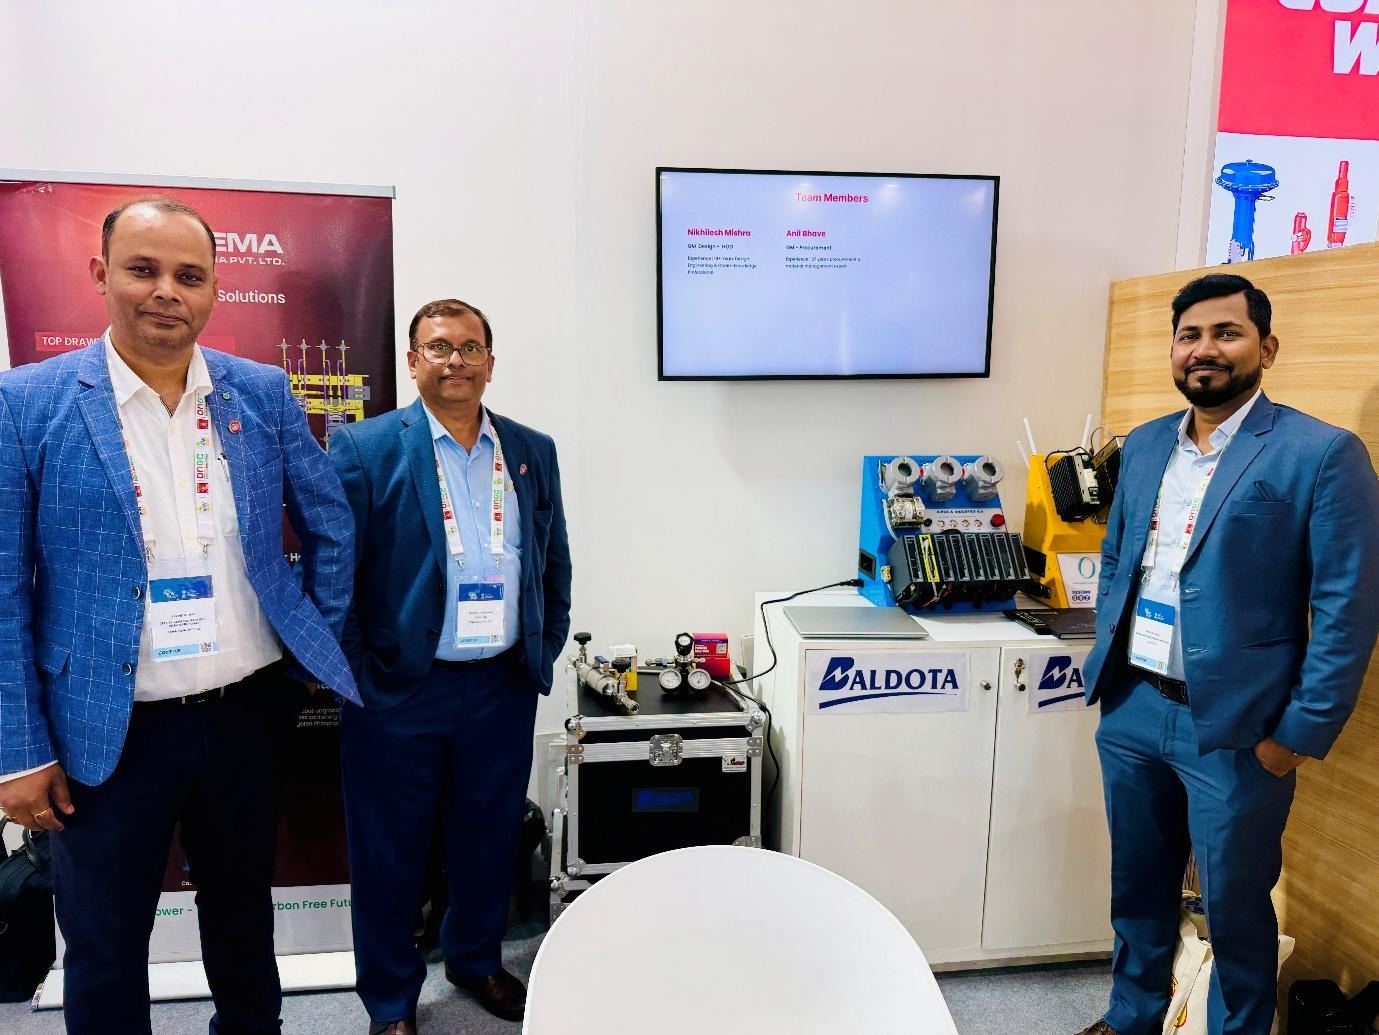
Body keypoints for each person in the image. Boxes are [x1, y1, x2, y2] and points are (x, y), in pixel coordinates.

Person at [0, 196, 359, 1035]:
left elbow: (330, 521)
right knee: (104, 938)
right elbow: (6, 585)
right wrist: (20, 750)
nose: (167, 290)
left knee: (242, 914)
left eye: (189, 275)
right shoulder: (28, 401)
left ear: (212, 290)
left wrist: (313, 640)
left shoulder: (259, 391)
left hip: (244, 713)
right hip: (105, 724)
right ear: (101, 275)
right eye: (144, 269)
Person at [1077, 273, 1379, 1035]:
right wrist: (1107, 661)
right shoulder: (1146, 443)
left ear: (1265, 348)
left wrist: (1297, 734)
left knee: (1234, 906)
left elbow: (1346, 607)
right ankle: (1131, 1014)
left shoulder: (1320, 453)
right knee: (1136, 884)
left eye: (1225, 332)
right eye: (1189, 335)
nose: (1203, 349)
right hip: (1133, 704)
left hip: (1240, 730)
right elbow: (1118, 559)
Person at [330, 298, 571, 1035]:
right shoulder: (365, 448)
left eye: (469, 348)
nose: (455, 360)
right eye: (438, 347)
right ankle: (391, 1001)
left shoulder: (531, 449)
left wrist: (541, 646)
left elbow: (553, 561)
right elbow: (334, 575)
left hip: (500, 684)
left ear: (490, 362)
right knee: (388, 852)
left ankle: (474, 958)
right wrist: (358, 672)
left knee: (489, 836)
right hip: (400, 689)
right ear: (413, 361)